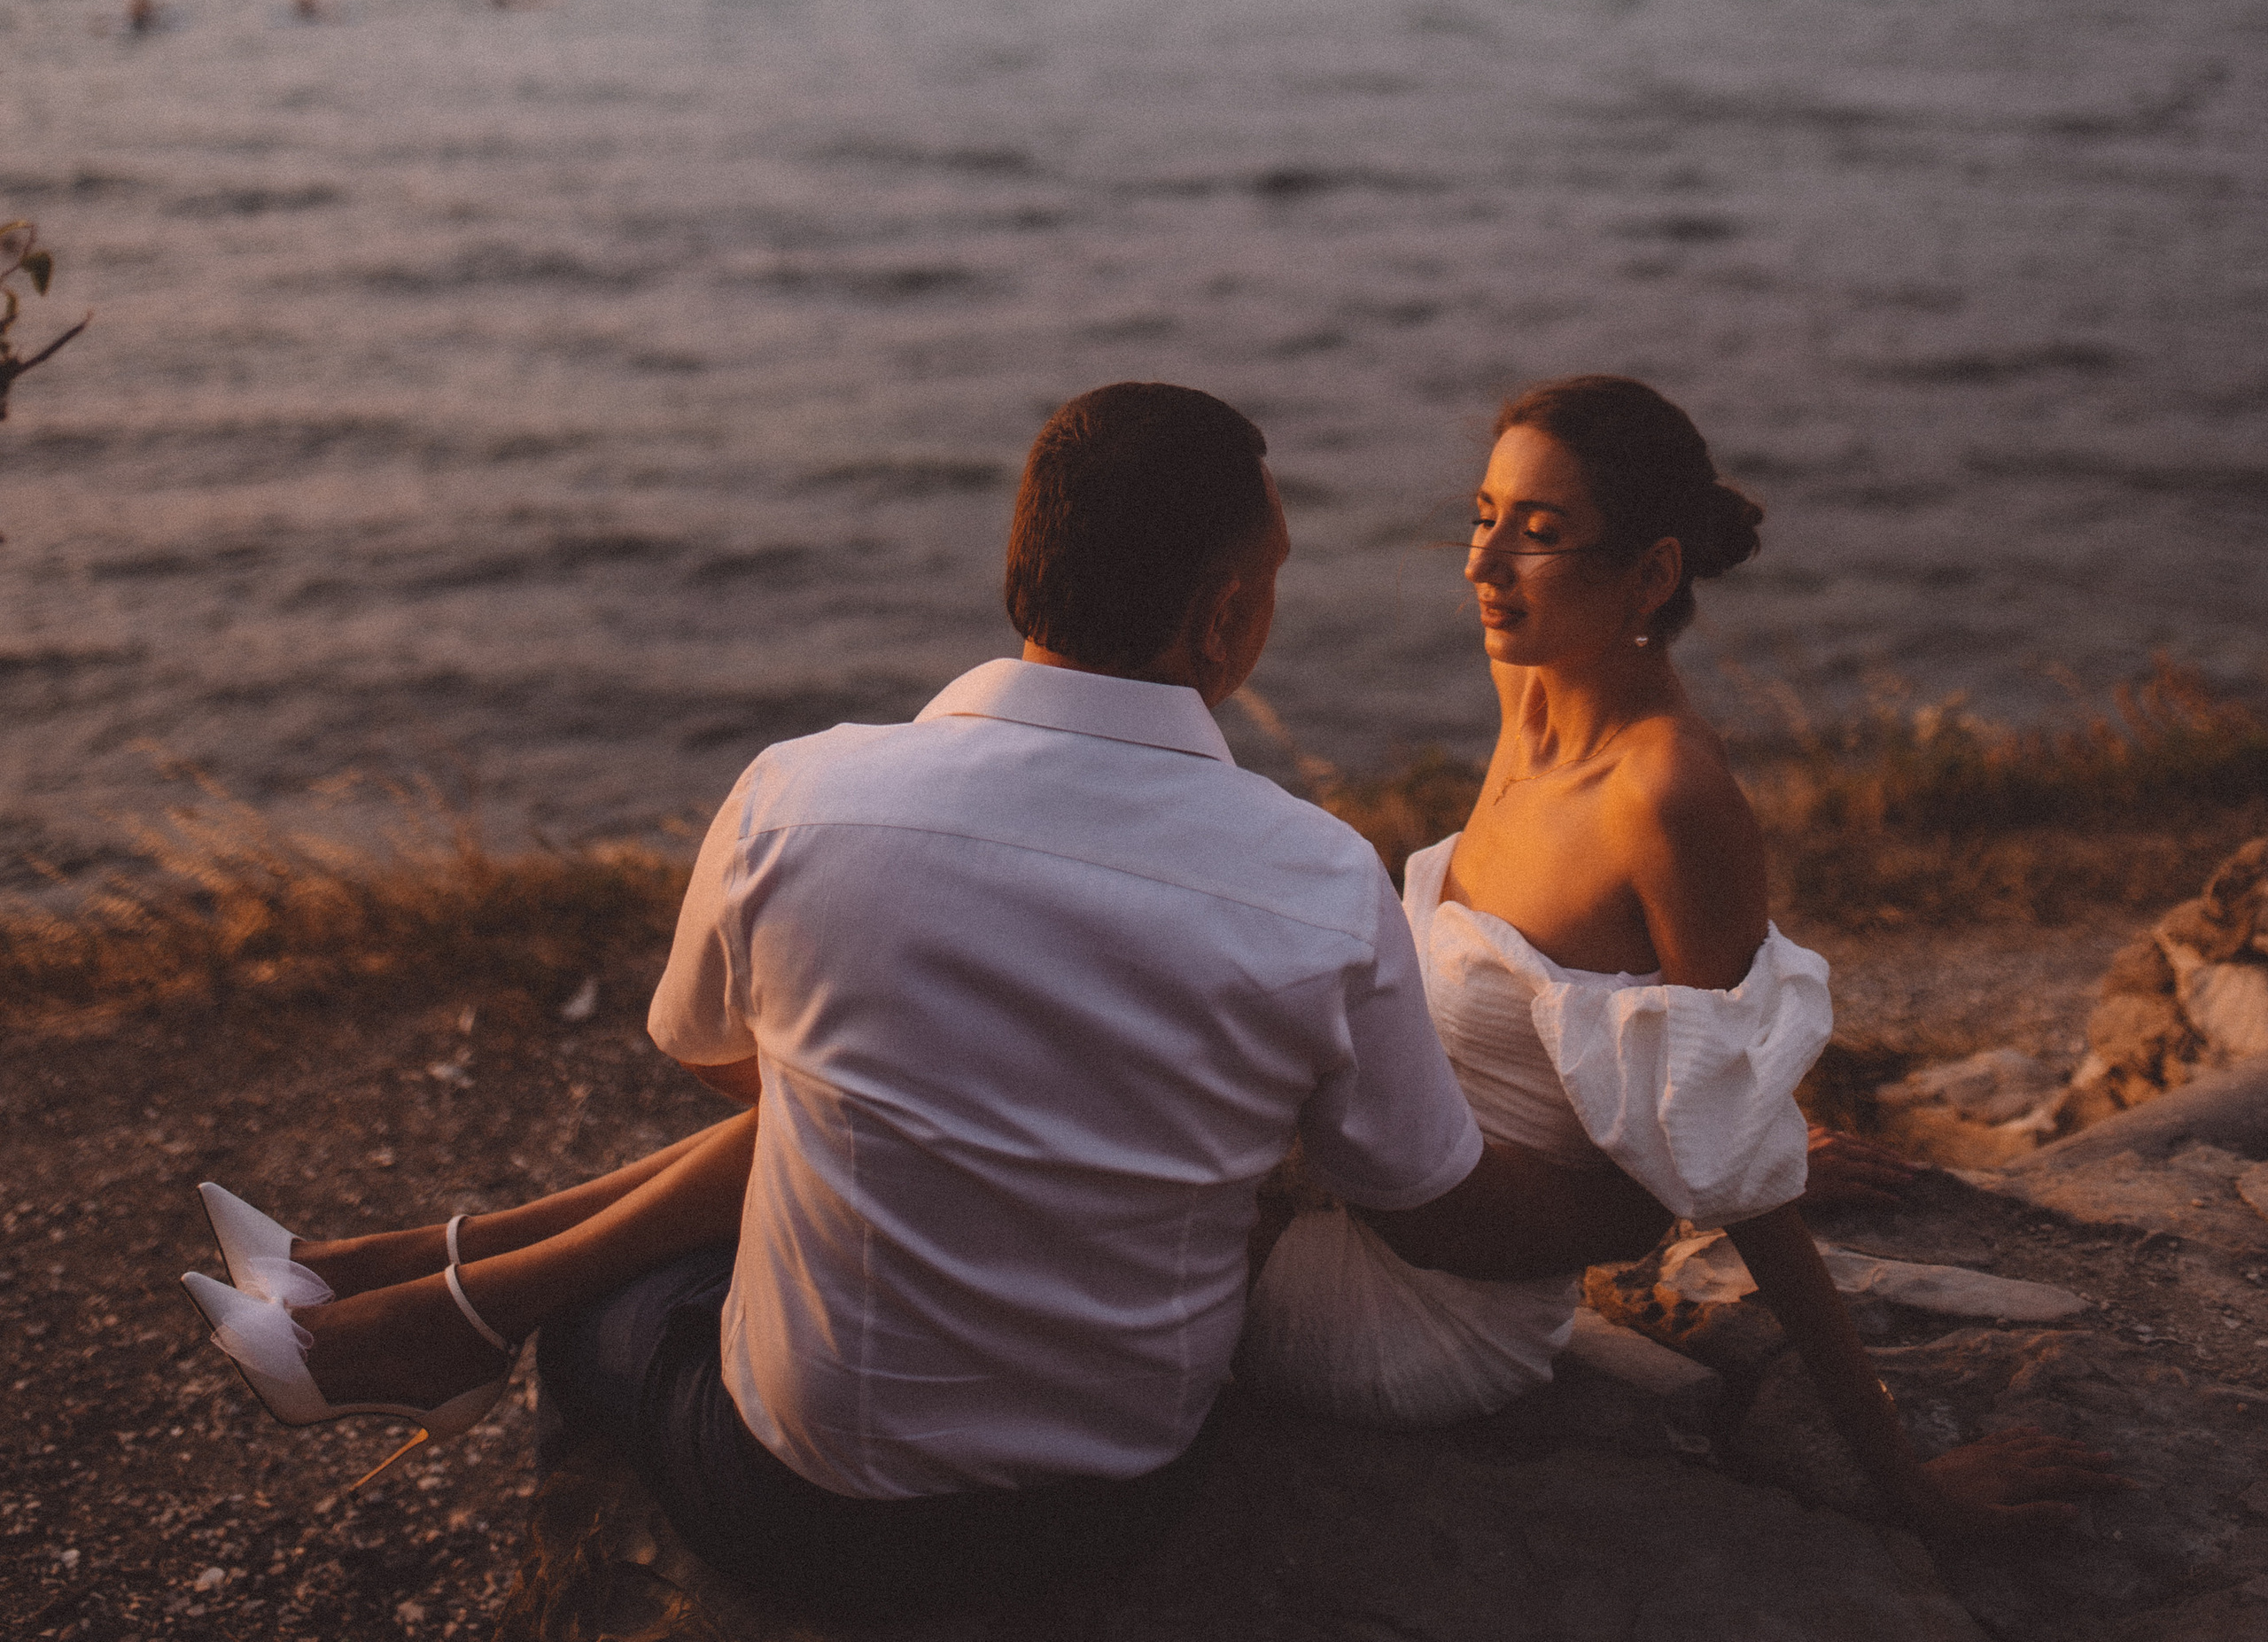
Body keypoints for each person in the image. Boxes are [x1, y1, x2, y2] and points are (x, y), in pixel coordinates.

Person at [183, 383, 1669, 1612]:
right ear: (1224, 620)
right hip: (1114, 1504)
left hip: (805, 1509)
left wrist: (938, 1076)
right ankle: (427, 1286)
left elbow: (716, 1059)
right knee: (860, 1102)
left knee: (632, 1296)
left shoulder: (802, 797)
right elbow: (1435, 1209)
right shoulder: (1316, 880)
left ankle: (448, 1307)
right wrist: (1640, 1201)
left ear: (1027, 571)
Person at [1238, 374, 2115, 1545]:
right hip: (1395, 1199)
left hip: (1419, 1321)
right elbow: (1679, 1049)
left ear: (1650, 575)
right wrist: (1748, 1145)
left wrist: (1903, 1478)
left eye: (1539, 533)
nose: (1483, 564)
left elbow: (1727, 1139)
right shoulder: (1529, 680)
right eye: (1483, 516)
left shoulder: (1665, 797)